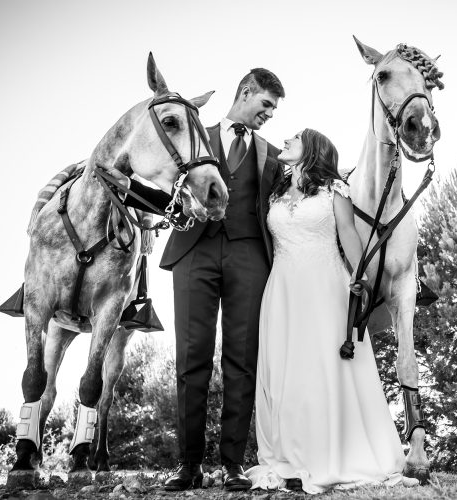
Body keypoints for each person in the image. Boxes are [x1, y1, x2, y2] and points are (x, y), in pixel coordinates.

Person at [245, 128, 415, 494]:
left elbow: (348, 234)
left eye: (294, 138)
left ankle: (334, 452)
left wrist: (361, 279)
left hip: (326, 289)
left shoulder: (334, 190)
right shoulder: (274, 190)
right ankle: (290, 453)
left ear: (314, 149)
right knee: (285, 370)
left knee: (325, 368)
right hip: (283, 291)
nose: (285, 141)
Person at [154, 68, 286, 491]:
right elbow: (163, 184)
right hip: (195, 251)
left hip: (250, 257)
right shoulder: (194, 134)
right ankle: (189, 464)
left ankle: (232, 464)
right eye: (265, 104)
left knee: (241, 361)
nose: (269, 114)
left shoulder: (272, 153)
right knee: (190, 358)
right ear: (246, 92)